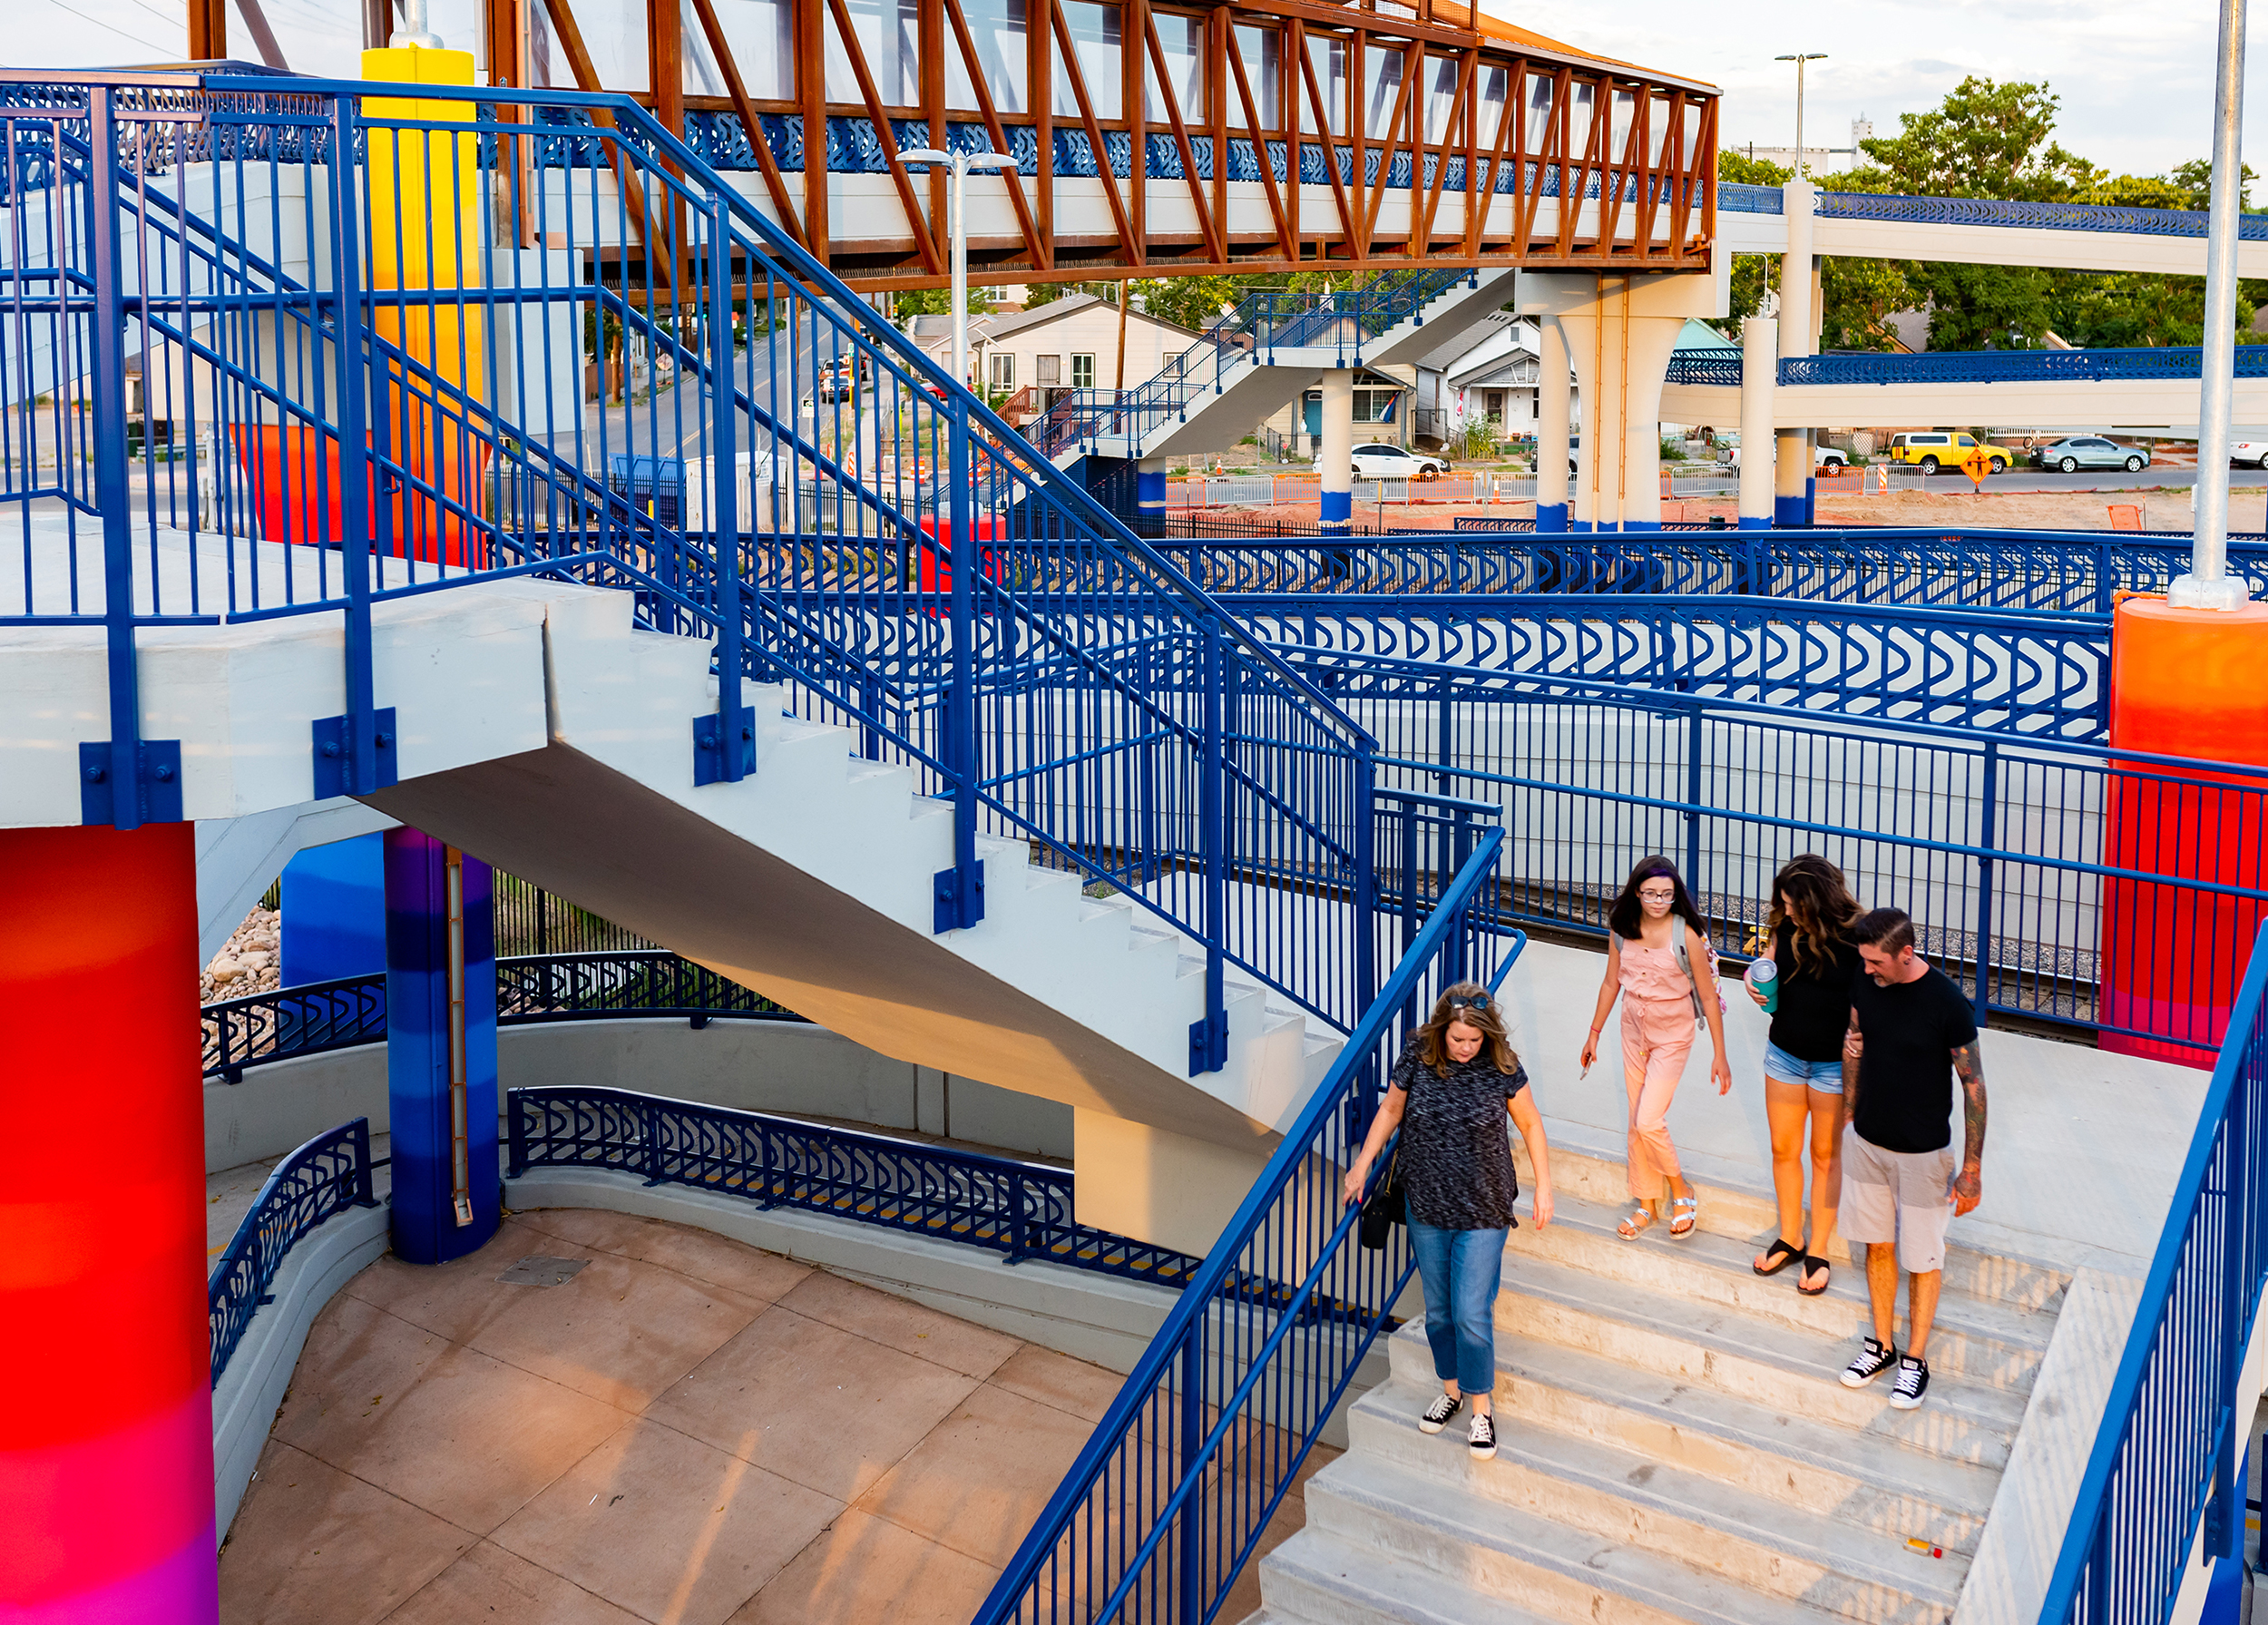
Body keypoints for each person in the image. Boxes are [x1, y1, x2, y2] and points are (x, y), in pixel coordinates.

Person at [1342, 983, 1555, 1462]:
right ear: (1442, 1031)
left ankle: (1481, 1409)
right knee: (1439, 1312)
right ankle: (1452, 1391)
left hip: (1484, 1209)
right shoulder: (1417, 1055)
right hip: (1427, 1207)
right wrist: (1362, 1164)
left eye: (1474, 1041)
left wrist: (1544, 1184)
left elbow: (1532, 1124)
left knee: (1470, 1313)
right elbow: (1392, 1110)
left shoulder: (1500, 1063)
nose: (1465, 1048)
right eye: (1458, 1040)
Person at [1835, 907, 1988, 1413]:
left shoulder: (1946, 1003)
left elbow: (1974, 1088)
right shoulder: (1865, 978)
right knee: (1877, 1247)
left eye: (1877, 962)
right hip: (1868, 1145)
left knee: (1922, 1258)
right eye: (1865, 961)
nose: (1869, 970)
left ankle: (1915, 1359)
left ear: (1906, 954)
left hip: (1923, 1156)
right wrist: (1850, 1115)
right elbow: (1853, 1043)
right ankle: (1880, 1347)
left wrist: (1971, 1169)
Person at [1580, 857, 1731, 1240]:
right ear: (1636, 892)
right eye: (1650, 893)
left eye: (1666, 894)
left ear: (1675, 894)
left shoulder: (1686, 936)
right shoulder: (1621, 928)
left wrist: (1720, 1054)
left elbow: (1709, 998)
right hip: (1632, 1025)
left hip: (1673, 1030)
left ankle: (1681, 1190)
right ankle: (1646, 1202)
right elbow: (1611, 983)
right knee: (1636, 1120)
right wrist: (1594, 1032)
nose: (1658, 901)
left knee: (1649, 1119)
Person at [1746, 856, 1864, 1297]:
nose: (1788, 910)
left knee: (1824, 1157)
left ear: (1816, 900)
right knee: (1783, 1148)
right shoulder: (1785, 928)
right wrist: (1753, 982)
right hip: (1784, 1055)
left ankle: (1818, 1248)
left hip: (1834, 1064)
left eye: (1794, 903)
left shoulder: (1858, 937)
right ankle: (1791, 1235)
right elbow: (1768, 965)